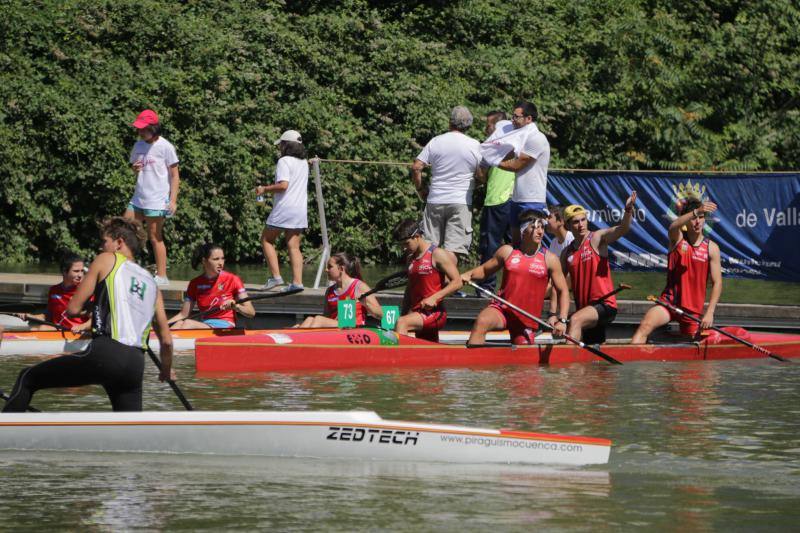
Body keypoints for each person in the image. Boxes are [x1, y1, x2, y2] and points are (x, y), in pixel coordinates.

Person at [3, 217, 174, 412]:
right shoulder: (152, 284)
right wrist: (166, 370)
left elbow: (73, 309)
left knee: (28, 377)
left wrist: (93, 310)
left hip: (106, 354)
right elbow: (167, 341)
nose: (101, 247)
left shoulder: (106, 259)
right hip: (135, 365)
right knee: (128, 429)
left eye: (104, 241)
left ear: (119, 243)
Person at [462, 210, 570, 345]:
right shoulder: (508, 251)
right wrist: (465, 276)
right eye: (535, 227)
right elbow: (484, 270)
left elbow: (563, 291)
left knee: (523, 361)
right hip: (503, 310)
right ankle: (472, 363)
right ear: (524, 230)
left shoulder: (550, 259)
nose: (540, 232)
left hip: (526, 318)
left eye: (542, 227)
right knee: (482, 321)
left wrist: (562, 320)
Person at [632, 200, 722, 343]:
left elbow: (717, 283)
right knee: (645, 326)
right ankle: (630, 359)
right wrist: (695, 211)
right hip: (669, 303)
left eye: (701, 217)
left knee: (690, 351)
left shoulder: (712, 248)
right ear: (685, 221)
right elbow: (674, 225)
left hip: (693, 311)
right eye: (693, 218)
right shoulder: (677, 239)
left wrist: (710, 313)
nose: (697, 222)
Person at [561, 192, 638, 344]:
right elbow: (559, 285)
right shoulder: (566, 253)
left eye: (583, 220)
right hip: (586, 308)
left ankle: (565, 368)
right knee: (593, 352)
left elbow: (622, 229)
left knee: (575, 320)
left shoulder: (596, 238)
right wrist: (555, 315)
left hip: (605, 305)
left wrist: (628, 210)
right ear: (568, 226)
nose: (581, 224)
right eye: (576, 222)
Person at [411, 106, 482, 264]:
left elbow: (416, 167)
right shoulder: (475, 145)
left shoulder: (436, 141)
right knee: (453, 250)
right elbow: (482, 176)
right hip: (461, 203)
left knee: (428, 249)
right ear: (468, 126)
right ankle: (448, 287)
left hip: (435, 200)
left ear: (450, 123)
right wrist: (474, 185)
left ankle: (429, 285)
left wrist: (421, 189)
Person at [125, 109, 180, 286]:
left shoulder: (166, 147)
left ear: (154, 128)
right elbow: (133, 165)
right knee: (124, 229)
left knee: (155, 236)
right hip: (138, 197)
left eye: (144, 129)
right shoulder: (138, 145)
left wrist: (173, 200)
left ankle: (162, 275)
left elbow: (174, 175)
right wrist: (135, 168)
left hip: (156, 200)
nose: (140, 132)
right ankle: (126, 268)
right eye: (139, 129)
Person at [392, 219, 463, 342]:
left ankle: (400, 359)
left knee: (402, 323)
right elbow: (409, 289)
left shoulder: (437, 254)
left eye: (406, 243)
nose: (404, 248)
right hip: (417, 312)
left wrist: (435, 298)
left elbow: (457, 282)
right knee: (429, 348)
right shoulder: (410, 258)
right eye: (401, 245)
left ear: (417, 236)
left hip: (435, 313)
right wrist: (404, 312)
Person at [492, 101, 550, 245]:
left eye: (516, 117)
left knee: (532, 245)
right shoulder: (521, 137)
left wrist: (492, 161)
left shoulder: (536, 138)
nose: (513, 120)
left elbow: (517, 165)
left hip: (532, 201)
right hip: (517, 199)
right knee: (517, 244)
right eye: (512, 116)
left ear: (528, 119)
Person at [257, 130, 308, 292]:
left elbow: (283, 185)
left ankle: (276, 278)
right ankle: (297, 283)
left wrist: (264, 189)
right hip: (300, 210)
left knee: (266, 240)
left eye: (281, 144)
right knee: (294, 246)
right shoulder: (304, 163)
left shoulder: (284, 161)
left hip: (285, 208)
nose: (280, 147)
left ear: (286, 145)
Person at [169, 243, 256, 329]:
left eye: (222, 259)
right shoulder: (194, 283)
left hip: (225, 326)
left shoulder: (233, 279)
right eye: (216, 259)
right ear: (204, 261)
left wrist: (236, 306)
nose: (221, 263)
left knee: (188, 323)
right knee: (179, 324)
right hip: (205, 325)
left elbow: (251, 312)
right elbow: (183, 314)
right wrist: (161, 327)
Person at [476, 111, 515, 295]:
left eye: (488, 125)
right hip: (515, 200)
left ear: (498, 126)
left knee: (490, 245)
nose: (486, 129)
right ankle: (514, 288)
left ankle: (486, 288)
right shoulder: (517, 141)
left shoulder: (492, 145)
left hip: (496, 200)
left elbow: (481, 176)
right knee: (517, 248)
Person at [297, 252, 382, 328]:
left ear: (341, 269)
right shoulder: (329, 291)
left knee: (318, 320)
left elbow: (381, 314)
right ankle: (296, 338)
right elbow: (326, 317)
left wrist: (365, 303)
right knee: (309, 319)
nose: (326, 270)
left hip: (354, 329)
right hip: (335, 330)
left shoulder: (359, 286)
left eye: (329, 267)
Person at [18, 252, 92, 333]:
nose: (80, 275)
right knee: (36, 328)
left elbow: (96, 319)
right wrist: (31, 316)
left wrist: (82, 327)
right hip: (58, 329)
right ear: (64, 271)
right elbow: (48, 316)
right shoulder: (54, 290)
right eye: (76, 271)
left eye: (82, 271)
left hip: (77, 333)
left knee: (40, 329)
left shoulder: (86, 292)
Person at [544, 205, 575, 319]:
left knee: (554, 286)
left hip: (571, 277)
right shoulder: (553, 242)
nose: (546, 221)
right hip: (559, 278)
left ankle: (552, 315)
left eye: (549, 217)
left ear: (561, 221)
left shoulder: (571, 239)